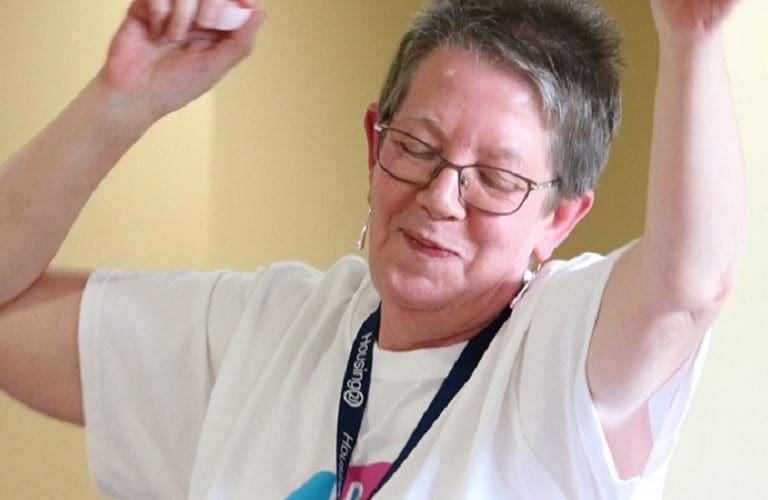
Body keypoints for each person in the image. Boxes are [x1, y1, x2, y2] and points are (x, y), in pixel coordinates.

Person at [0, 0, 745, 498]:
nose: (440, 197)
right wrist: (120, 100)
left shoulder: (557, 360)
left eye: (494, 179)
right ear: (373, 143)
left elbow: (689, 289)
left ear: (559, 220)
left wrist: (691, 45)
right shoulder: (267, 331)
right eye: (417, 146)